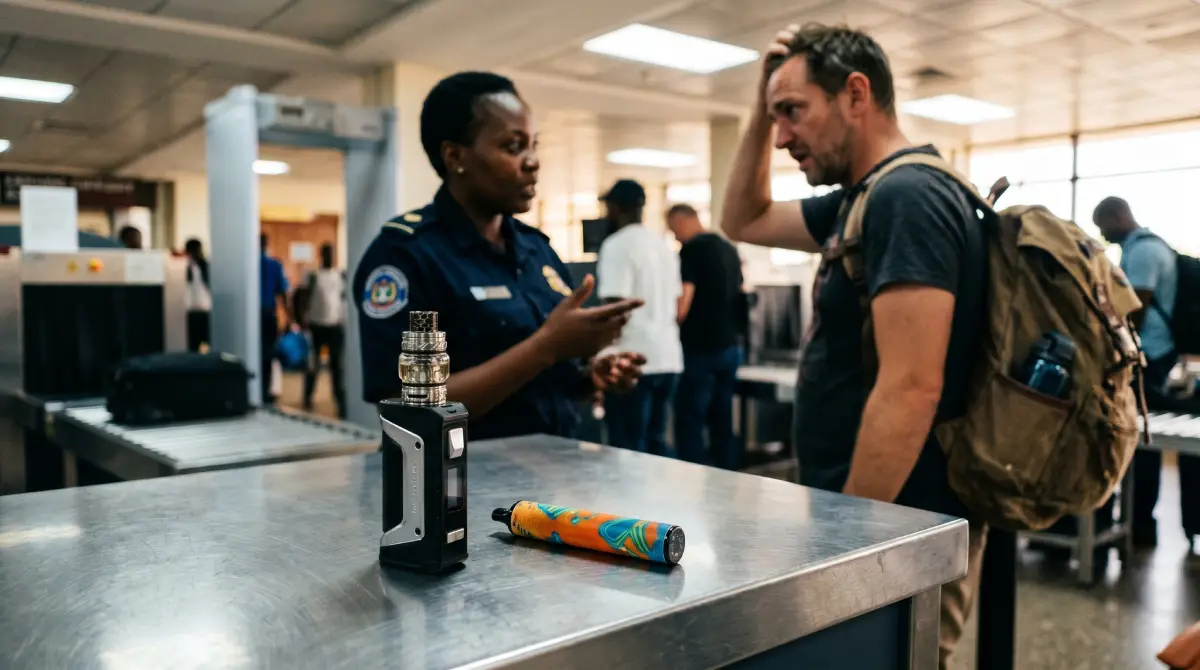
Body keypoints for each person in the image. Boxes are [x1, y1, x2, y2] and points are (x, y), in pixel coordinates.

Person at [720, 24, 987, 669]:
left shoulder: (907, 197)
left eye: (793, 112)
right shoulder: (861, 199)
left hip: (899, 521)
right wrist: (760, 105)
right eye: (775, 116)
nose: (782, 136)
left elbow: (910, 387)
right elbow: (742, 218)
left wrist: (847, 548)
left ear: (855, 94)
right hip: (873, 513)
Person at [354, 71, 645, 440]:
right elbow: (407, 407)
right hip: (461, 482)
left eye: (534, 145)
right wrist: (547, 347)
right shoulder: (406, 256)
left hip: (553, 475)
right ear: (455, 156)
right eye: (513, 147)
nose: (533, 161)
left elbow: (544, 381)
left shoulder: (537, 250)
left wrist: (590, 376)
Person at [1093, 196, 1197, 549]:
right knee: (1143, 442)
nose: (1104, 235)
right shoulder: (1155, 247)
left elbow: (1132, 310)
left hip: (1148, 359)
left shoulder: (1142, 252)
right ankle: (1139, 523)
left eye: (1104, 226)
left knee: (1141, 442)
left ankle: (1139, 523)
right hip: (1159, 355)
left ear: (1118, 216)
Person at [595, 179, 683, 455]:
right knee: (655, 444)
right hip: (668, 358)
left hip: (631, 363)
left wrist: (602, 356)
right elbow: (677, 301)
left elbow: (614, 307)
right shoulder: (663, 246)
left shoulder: (617, 245)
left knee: (627, 450)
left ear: (616, 207)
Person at [665, 203, 745, 469]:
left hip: (699, 350)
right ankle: (728, 479)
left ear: (682, 220)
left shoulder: (691, 251)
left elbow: (682, 306)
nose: (674, 235)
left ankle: (692, 484)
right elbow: (742, 294)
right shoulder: (729, 249)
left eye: (673, 228)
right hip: (730, 348)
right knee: (722, 419)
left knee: (690, 420)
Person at [304, 243, 347, 419]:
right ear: (321, 255)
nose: (330, 257)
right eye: (327, 254)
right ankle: (307, 397)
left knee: (337, 366)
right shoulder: (313, 276)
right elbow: (304, 296)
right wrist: (301, 318)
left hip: (335, 326)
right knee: (313, 364)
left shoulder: (340, 276)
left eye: (332, 254)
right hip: (317, 325)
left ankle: (340, 401)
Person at [260, 233, 289, 405]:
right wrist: (290, 317)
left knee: (256, 352)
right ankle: (266, 390)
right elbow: (282, 293)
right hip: (268, 314)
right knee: (269, 354)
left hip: (253, 315)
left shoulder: (249, 264)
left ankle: (256, 388)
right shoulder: (274, 265)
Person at [183, 238, 211, 352]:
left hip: (205, 307)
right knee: (192, 342)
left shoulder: (205, 265)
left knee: (206, 339)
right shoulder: (184, 266)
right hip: (190, 308)